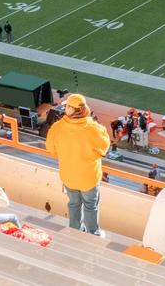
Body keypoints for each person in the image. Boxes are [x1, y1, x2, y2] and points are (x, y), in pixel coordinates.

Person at [46, 93, 111, 236]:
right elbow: (104, 148)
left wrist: (66, 155)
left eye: (67, 106)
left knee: (74, 203)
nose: (65, 109)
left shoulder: (57, 128)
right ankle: (92, 232)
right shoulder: (94, 128)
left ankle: (74, 230)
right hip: (89, 177)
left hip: (68, 176)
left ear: (73, 109)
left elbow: (51, 149)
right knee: (90, 206)